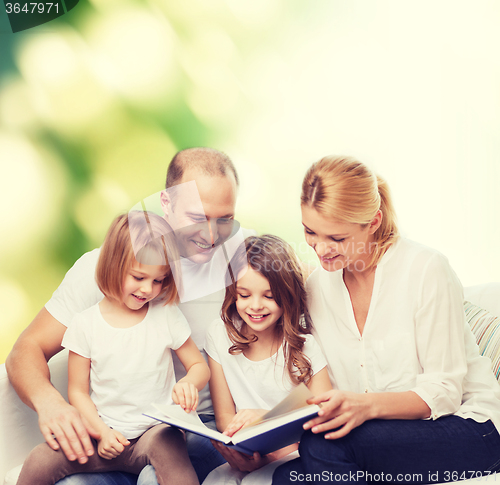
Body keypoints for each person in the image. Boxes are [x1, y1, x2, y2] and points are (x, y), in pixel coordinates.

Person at [6, 147, 252, 485]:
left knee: (157, 473)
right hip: (110, 429)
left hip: (195, 426)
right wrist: (51, 404)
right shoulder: (104, 268)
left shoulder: (247, 260)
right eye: (198, 218)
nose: (212, 236)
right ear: (167, 203)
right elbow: (27, 349)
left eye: (224, 219)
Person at [272, 156, 500, 484]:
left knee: (321, 447)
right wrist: (264, 433)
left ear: (374, 221)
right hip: (387, 436)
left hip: (470, 428)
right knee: (287, 477)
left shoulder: (425, 269)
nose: (320, 249)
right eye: (310, 232)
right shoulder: (317, 288)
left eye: (337, 238)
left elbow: (444, 392)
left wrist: (365, 406)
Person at [16, 211, 210, 485]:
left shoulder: (165, 314)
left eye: (158, 280)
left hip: (154, 433)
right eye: (139, 277)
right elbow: (78, 392)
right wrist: (101, 432)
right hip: (103, 435)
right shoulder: (85, 324)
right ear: (113, 265)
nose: (148, 289)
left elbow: (198, 366)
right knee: (40, 460)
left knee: (170, 447)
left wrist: (190, 382)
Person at [203, 235, 332, 484]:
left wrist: (265, 424)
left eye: (269, 296)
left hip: (295, 456)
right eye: (244, 295)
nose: (255, 306)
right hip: (246, 454)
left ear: (287, 295)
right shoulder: (219, 334)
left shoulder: (307, 348)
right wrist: (245, 451)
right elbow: (225, 418)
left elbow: (323, 418)